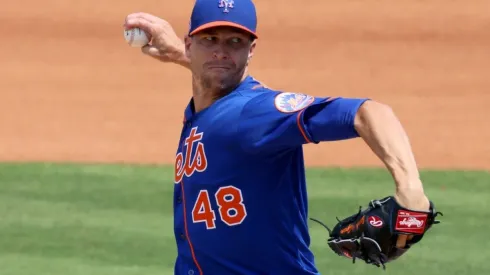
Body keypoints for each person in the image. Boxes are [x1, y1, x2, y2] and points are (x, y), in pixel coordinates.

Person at [124, 0, 431, 274]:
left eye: (235, 42)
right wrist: (181, 56)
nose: (221, 50)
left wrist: (411, 188)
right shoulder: (204, 110)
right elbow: (215, 76)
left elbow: (367, 112)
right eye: (209, 39)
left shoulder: (256, 112)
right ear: (189, 45)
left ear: (251, 50)